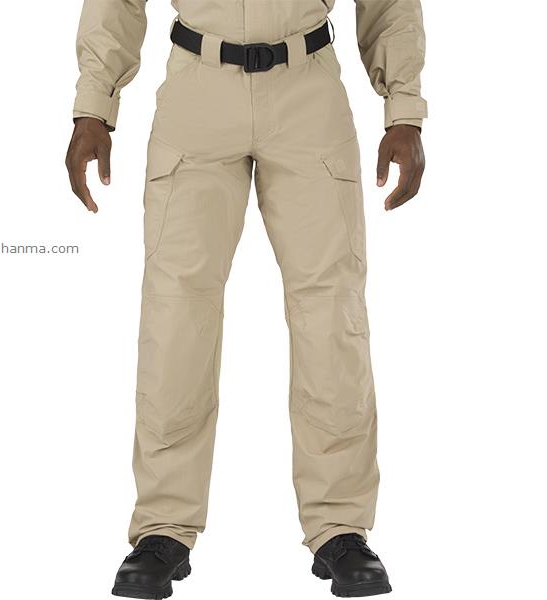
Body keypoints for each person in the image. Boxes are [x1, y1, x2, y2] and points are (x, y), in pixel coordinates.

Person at [65, 1, 427, 597]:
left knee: (331, 313)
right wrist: (93, 108)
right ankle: (163, 527)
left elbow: (388, 4)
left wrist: (404, 110)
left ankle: (340, 526)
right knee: (175, 315)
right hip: (196, 91)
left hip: (308, 88)